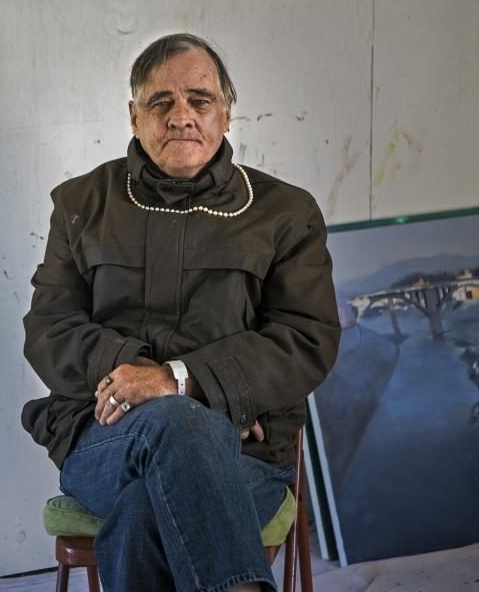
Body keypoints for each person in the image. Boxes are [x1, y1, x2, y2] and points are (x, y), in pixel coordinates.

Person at [21, 34, 341, 591]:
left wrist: (174, 380)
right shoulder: (81, 204)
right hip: (104, 438)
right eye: (161, 103)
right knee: (181, 423)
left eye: (199, 100)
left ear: (226, 112)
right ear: (133, 116)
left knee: (142, 516)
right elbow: (49, 330)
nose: (182, 117)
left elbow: (304, 338)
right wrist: (156, 385)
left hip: (245, 452)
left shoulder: (284, 213)